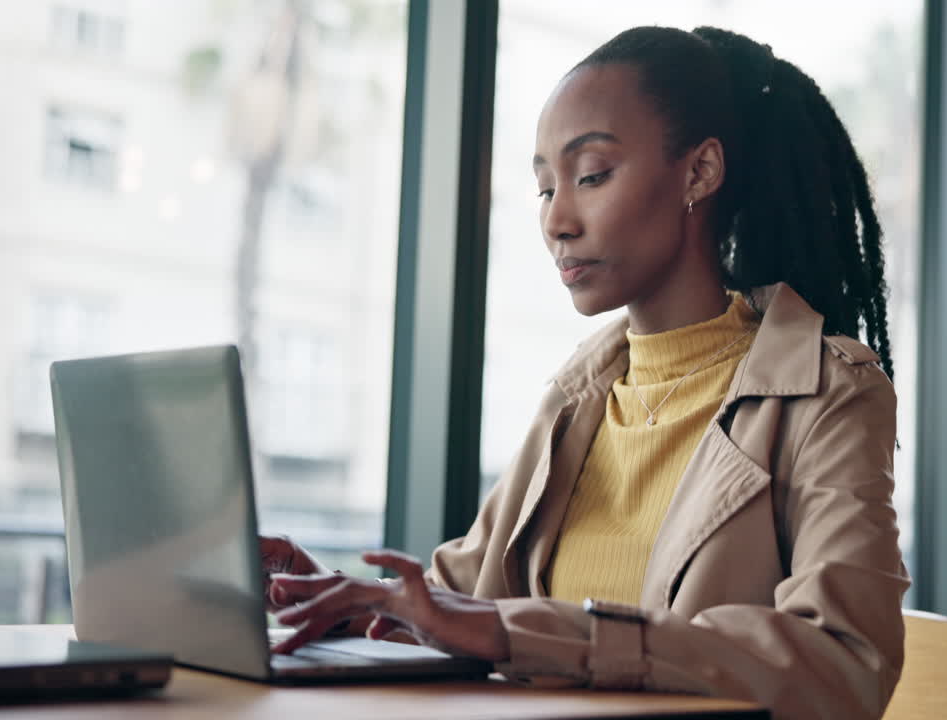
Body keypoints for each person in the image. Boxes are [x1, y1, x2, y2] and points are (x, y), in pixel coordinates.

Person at [263, 25, 908, 720]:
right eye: (545, 189)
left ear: (699, 173)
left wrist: (548, 636)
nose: (558, 220)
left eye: (592, 174)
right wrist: (340, 598)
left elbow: (843, 663)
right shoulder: (581, 394)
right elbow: (458, 603)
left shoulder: (827, 393)